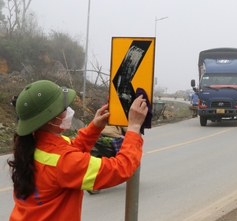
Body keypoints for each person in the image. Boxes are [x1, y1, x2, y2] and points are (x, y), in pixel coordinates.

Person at [7, 80, 148, 221]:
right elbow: (120, 168)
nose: (68, 110)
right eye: (63, 108)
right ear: (49, 119)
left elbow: (72, 149)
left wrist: (95, 126)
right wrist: (134, 128)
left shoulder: (34, 144)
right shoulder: (62, 161)